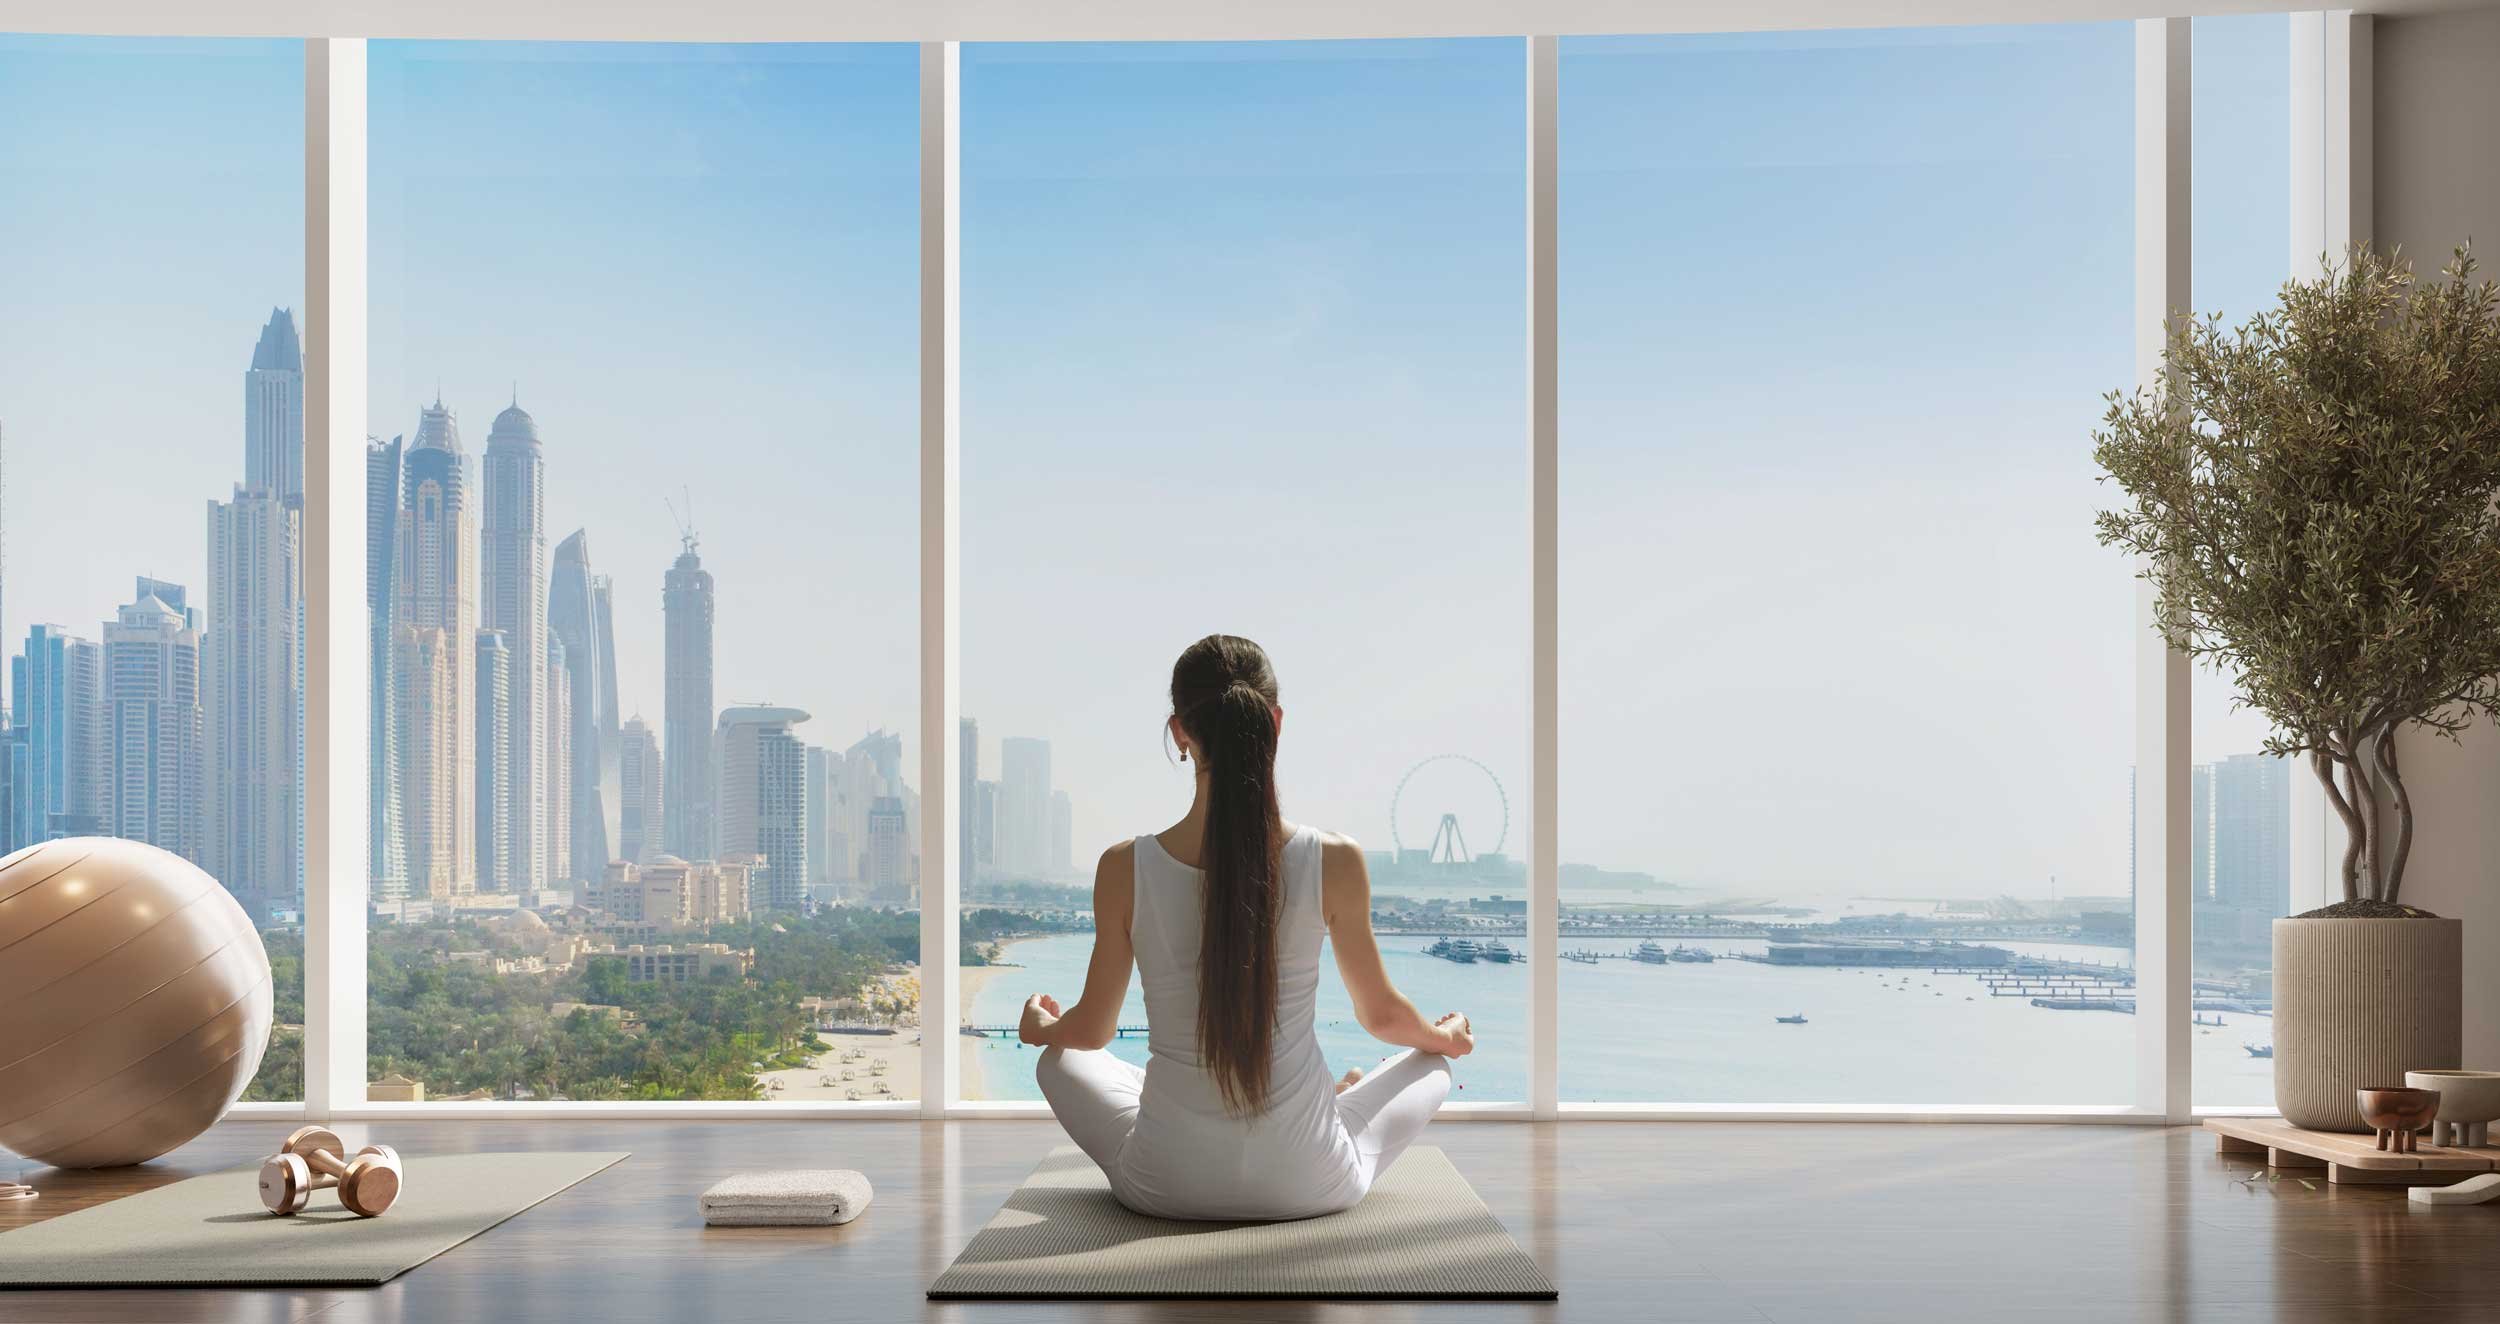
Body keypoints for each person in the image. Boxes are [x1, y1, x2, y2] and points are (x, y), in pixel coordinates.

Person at [1017, 634, 1474, 1221]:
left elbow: (1092, 1030)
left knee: (1058, 1059)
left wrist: (1038, 1026)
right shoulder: (1335, 858)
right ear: (1275, 723)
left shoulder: (1123, 866)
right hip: (1312, 1183)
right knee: (1430, 1064)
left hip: (1164, 1186)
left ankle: (1314, 1104)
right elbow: (1383, 1018)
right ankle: (1336, 1103)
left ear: (1180, 731)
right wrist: (1450, 1036)